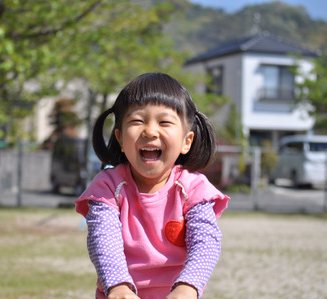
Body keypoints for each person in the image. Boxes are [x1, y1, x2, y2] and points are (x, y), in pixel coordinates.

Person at [75, 73, 230, 299]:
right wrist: (118, 285)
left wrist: (188, 286)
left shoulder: (193, 188)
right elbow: (103, 238)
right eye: (137, 121)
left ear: (187, 141)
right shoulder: (108, 186)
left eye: (164, 122)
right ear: (119, 138)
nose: (150, 131)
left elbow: (205, 242)